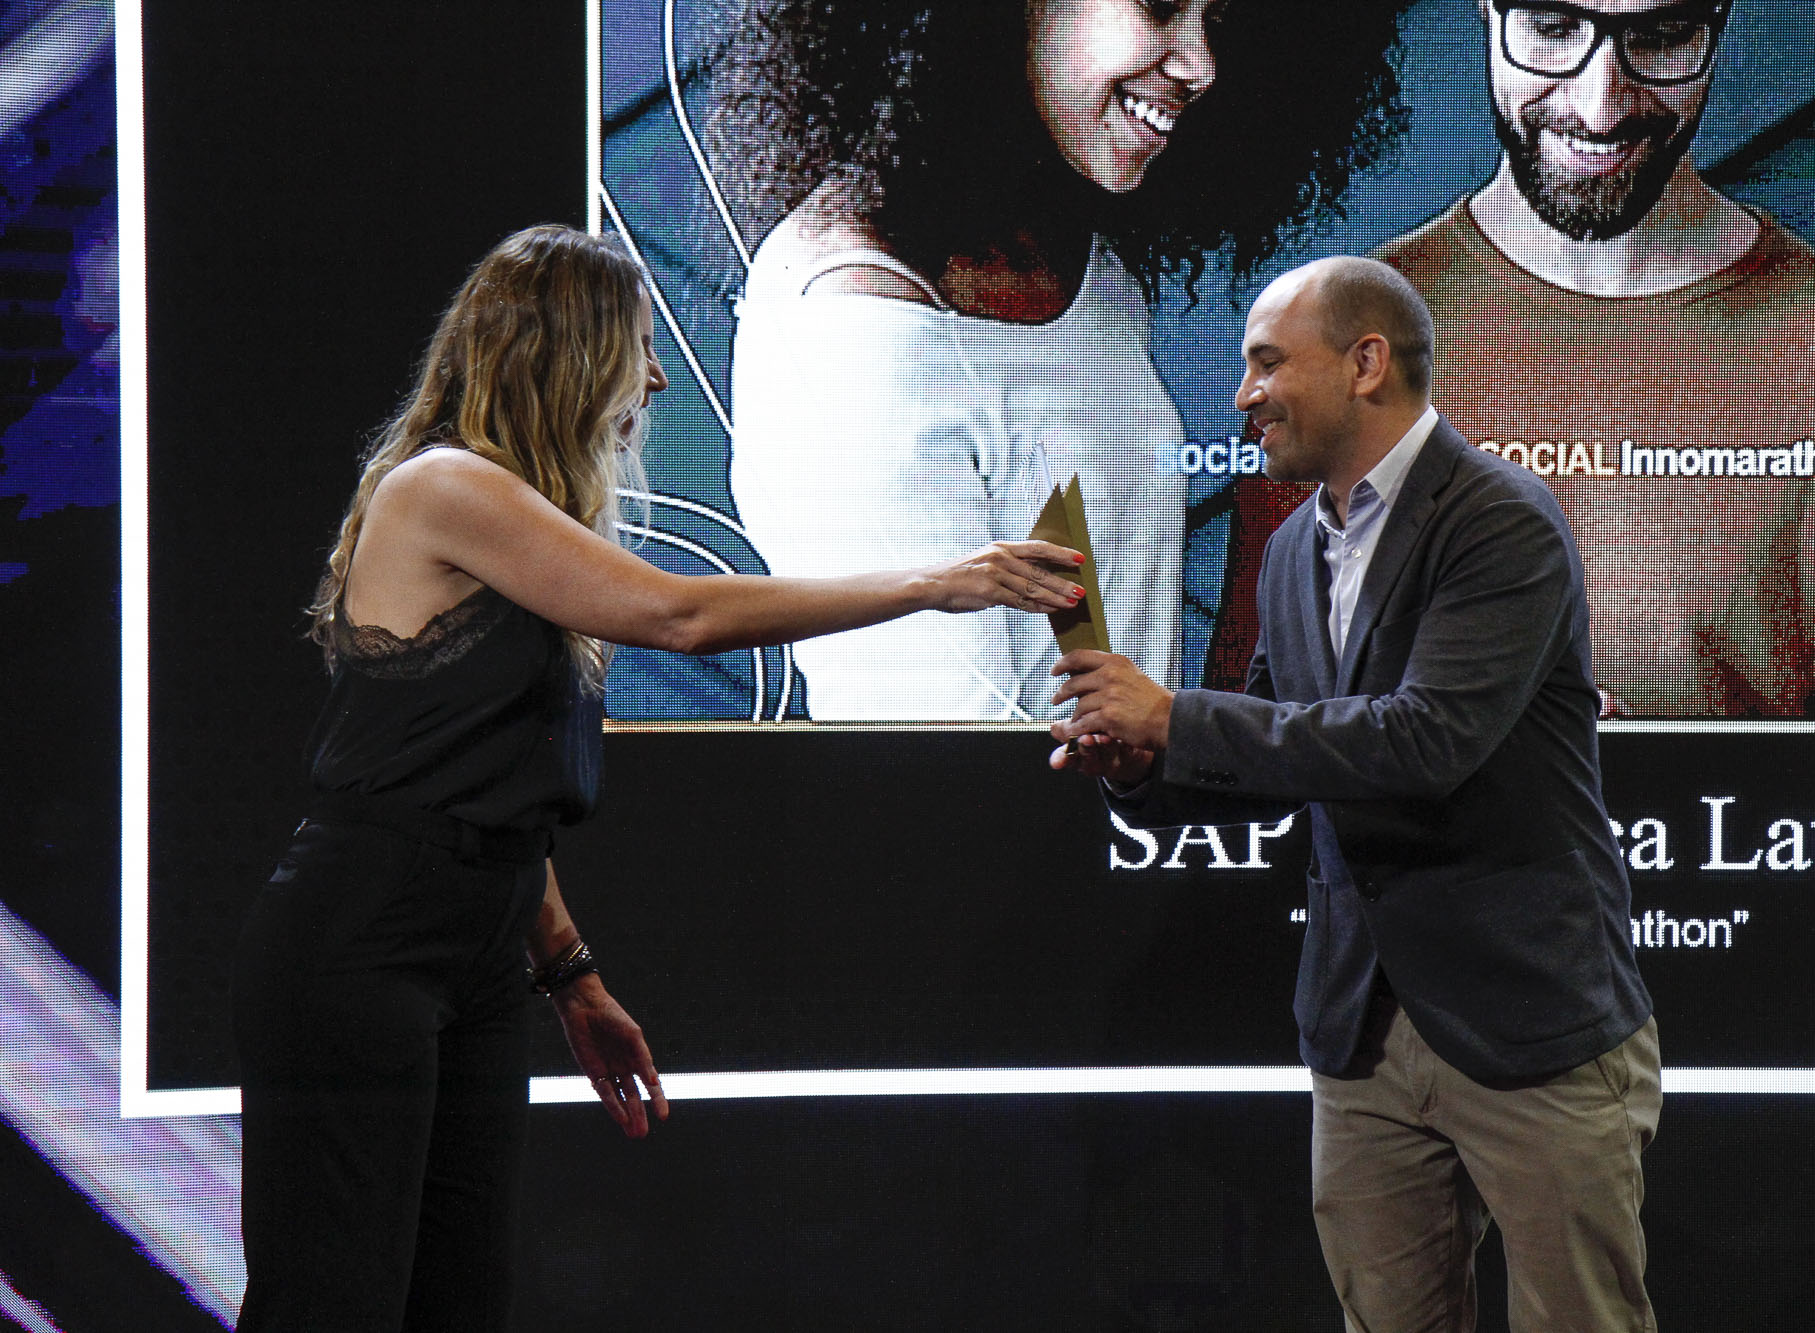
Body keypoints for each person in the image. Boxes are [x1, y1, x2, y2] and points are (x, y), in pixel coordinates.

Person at [228, 225, 1085, 1331]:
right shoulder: (442, 488)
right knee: (331, 1304)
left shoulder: (522, 526)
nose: (657, 376)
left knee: (457, 1303)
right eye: (637, 345)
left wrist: (571, 977)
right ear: (566, 349)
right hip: (360, 941)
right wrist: (936, 581)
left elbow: (493, 799)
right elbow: (679, 614)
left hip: (475, 951)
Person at [1052, 258, 1658, 1331]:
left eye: (1265, 363)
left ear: (1365, 363)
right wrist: (1140, 764)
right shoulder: (1293, 546)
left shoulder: (1499, 520)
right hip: (1360, 1034)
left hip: (1528, 1017)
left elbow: (1426, 741)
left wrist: (1174, 716)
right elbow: (1275, 748)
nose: (1242, 394)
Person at [706, 0, 1405, 720]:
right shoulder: (855, 326)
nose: (1203, 65)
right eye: (1161, 6)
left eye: (1218, 20)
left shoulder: (1088, 264)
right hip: (997, 795)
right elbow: (939, 742)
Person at [1354, 0, 1815, 718]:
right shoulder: (1346, 336)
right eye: (1552, 29)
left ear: (1718, 20)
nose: (1600, 109)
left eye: (1660, 37)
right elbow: (1268, 748)